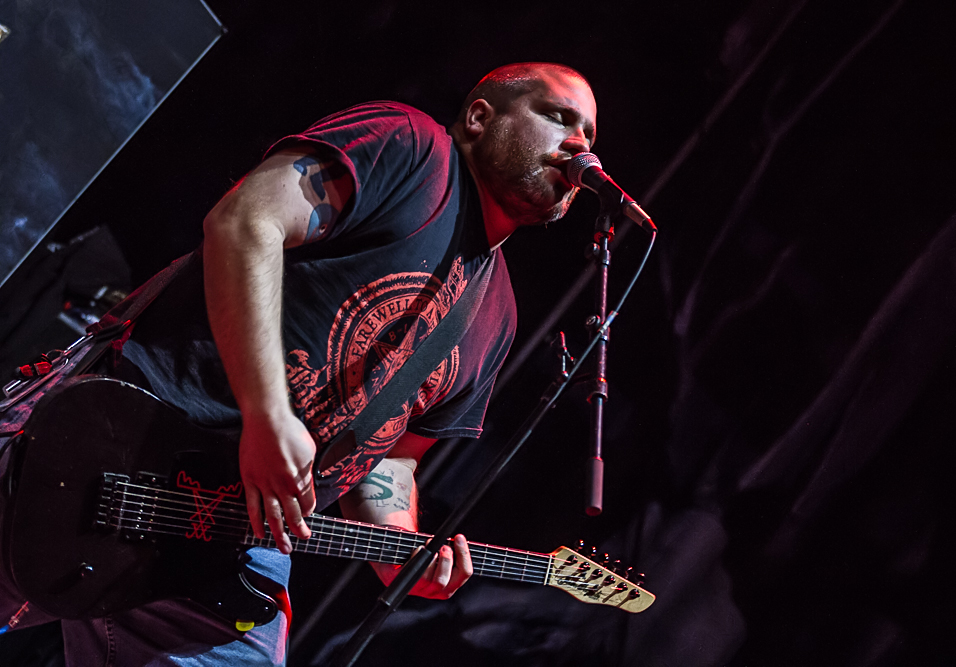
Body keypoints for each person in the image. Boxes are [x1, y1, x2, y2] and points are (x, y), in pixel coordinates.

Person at [0, 61, 597, 664]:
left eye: (590, 135)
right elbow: (244, 221)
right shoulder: (411, 149)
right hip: (116, 435)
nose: (578, 143)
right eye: (558, 117)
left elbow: (387, 462)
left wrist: (399, 551)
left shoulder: (495, 317)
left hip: (231, 546)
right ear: (478, 117)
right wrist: (267, 415)